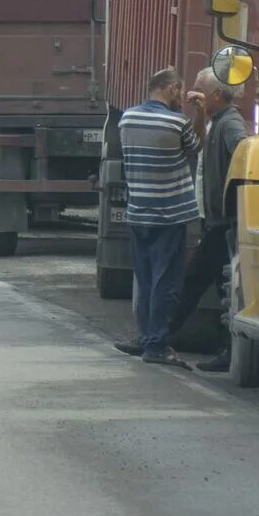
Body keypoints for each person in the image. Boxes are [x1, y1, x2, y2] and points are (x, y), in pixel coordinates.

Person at [112, 66, 199, 366]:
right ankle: (156, 345)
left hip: (138, 213)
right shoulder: (177, 123)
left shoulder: (127, 119)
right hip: (169, 214)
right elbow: (196, 147)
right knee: (166, 282)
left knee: (146, 279)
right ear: (173, 89)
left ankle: (146, 336)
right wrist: (198, 114)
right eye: (180, 92)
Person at [163, 67, 248, 372]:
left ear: (215, 94)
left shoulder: (230, 126)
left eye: (199, 90)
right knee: (220, 286)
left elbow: (244, 152)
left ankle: (158, 337)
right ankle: (162, 337)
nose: (192, 95)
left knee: (199, 281)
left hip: (225, 224)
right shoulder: (216, 122)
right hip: (217, 221)